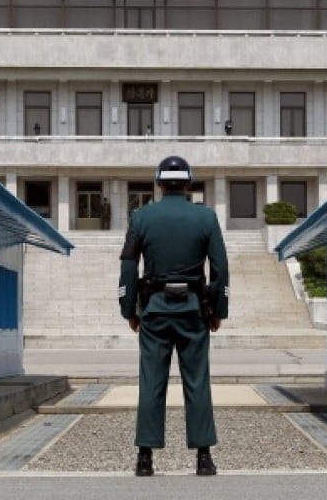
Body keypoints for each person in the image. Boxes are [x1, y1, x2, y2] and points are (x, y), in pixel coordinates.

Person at [117, 156, 230, 477]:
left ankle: (145, 458)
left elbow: (128, 265)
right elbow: (220, 266)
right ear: (189, 183)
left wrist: (130, 310)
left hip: (154, 310)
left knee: (152, 381)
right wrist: (218, 309)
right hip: (194, 309)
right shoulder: (206, 217)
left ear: (159, 182)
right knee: (197, 381)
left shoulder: (141, 217)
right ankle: (204, 457)